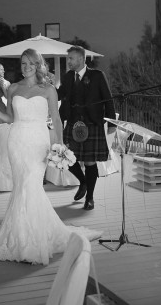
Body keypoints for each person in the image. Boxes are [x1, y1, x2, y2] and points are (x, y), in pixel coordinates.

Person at [0, 48, 101, 265]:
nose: (26, 67)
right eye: (22, 63)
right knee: (22, 186)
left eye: (31, 63)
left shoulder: (48, 89)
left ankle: (32, 239)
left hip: (38, 141)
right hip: (17, 141)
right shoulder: (13, 89)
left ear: (38, 65)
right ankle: (21, 237)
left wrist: (59, 143)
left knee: (32, 185)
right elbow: (10, 117)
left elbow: (56, 119)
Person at [57, 45, 116, 210]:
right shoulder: (68, 77)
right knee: (65, 157)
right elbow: (59, 94)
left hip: (92, 123)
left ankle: (89, 197)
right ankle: (83, 181)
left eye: (71, 58)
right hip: (72, 122)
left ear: (81, 59)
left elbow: (108, 99)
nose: (68, 61)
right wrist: (47, 86)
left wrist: (111, 123)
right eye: (68, 58)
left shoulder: (97, 75)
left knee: (90, 161)